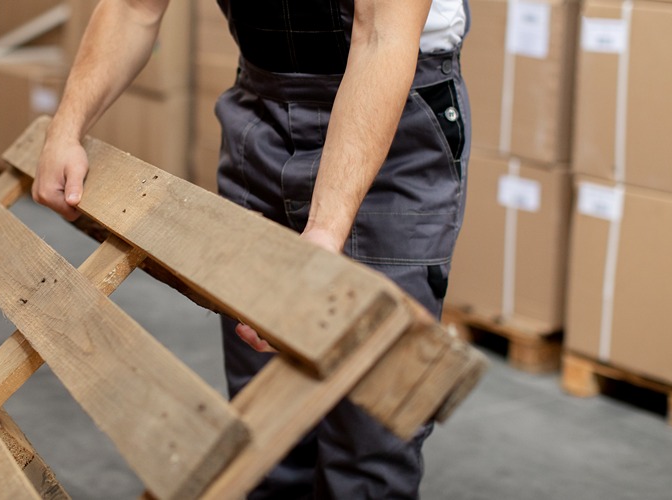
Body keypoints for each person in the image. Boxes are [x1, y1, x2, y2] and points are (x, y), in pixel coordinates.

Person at [33, 0, 471, 497]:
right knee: (266, 435)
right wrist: (66, 127)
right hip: (261, 115)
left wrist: (325, 231)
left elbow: (381, 38)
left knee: (367, 440)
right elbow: (134, 8)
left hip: (390, 120)